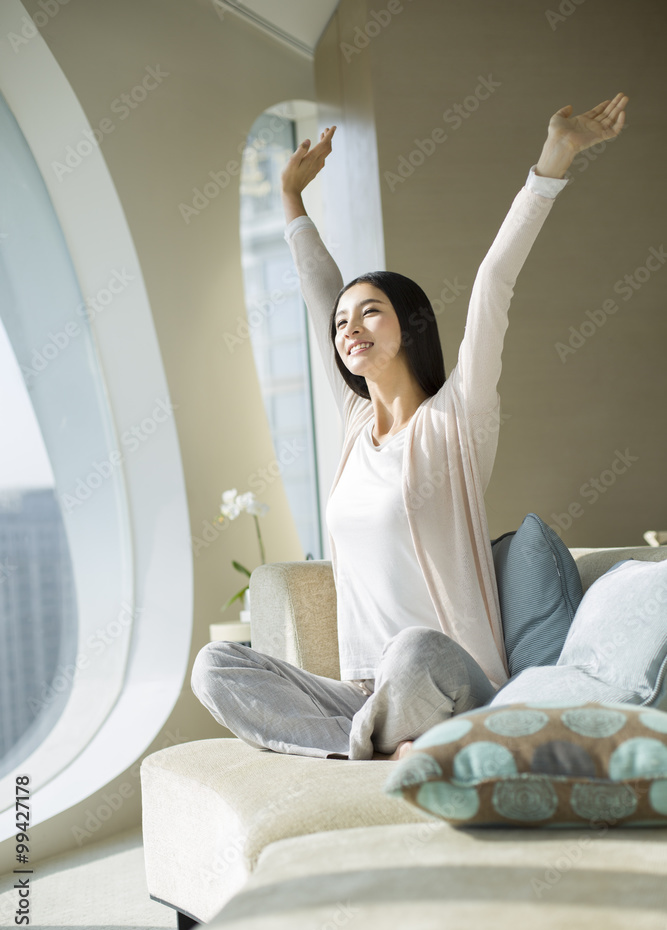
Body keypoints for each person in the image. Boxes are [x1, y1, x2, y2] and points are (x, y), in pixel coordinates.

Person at [192, 93, 629, 762]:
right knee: (217, 665)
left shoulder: (456, 421)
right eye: (342, 323)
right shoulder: (351, 426)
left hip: (451, 682)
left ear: (411, 324)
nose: (348, 328)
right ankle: (371, 748)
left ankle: (399, 745)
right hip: (362, 695)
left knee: (415, 651)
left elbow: (493, 283)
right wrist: (290, 199)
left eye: (369, 312)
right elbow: (318, 287)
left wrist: (554, 159)